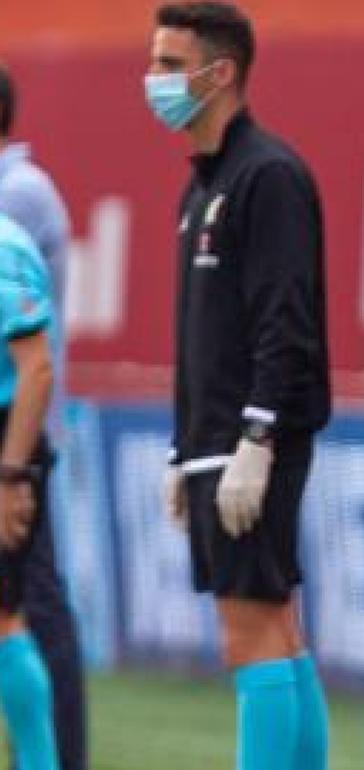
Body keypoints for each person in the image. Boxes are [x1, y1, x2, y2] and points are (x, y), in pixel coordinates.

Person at [145, 4, 331, 769]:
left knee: (248, 632)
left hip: (251, 441)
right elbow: (207, 335)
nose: (152, 80)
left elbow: (285, 317)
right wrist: (182, 450)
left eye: (166, 63)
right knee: (276, 629)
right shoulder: (204, 186)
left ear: (218, 73)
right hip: (213, 442)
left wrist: (256, 436)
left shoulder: (268, 175)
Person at [0, 64, 85, 770]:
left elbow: (33, 360)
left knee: (22, 609)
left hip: (14, 432)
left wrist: (12, 470)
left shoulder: (15, 205)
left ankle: (54, 757)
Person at [0, 212, 61, 770]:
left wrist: (12, 476)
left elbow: (36, 368)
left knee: (3, 620)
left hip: (4, 441)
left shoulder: (5, 248)